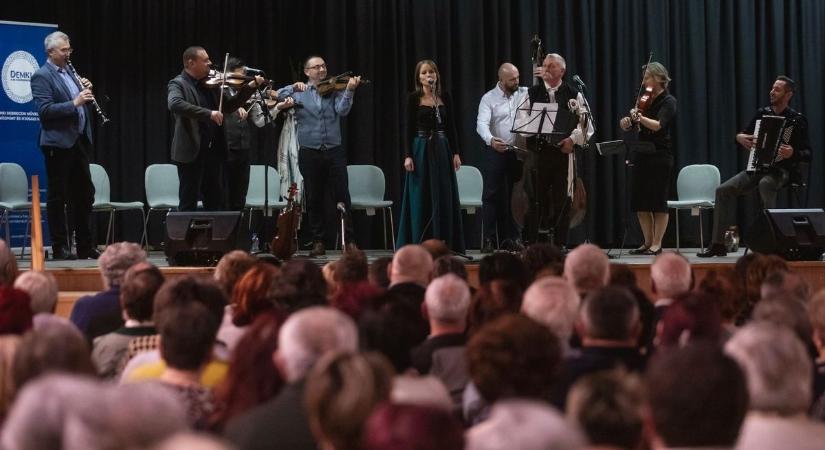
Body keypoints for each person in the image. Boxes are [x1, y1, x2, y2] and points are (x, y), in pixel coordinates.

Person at [699, 75, 811, 257]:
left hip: (783, 171)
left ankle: (772, 243)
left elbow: (807, 154)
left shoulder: (796, 120)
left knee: (766, 184)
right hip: (757, 167)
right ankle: (718, 244)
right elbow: (744, 135)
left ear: (788, 94)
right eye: (772, 88)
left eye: (777, 89)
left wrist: (793, 153)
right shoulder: (762, 114)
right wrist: (739, 137)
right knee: (723, 190)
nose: (772, 92)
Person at [275, 56, 361, 257]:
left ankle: (349, 241)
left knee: (342, 196)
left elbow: (342, 110)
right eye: (316, 67)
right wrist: (292, 87)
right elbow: (277, 95)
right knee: (314, 197)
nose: (321, 69)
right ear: (307, 72)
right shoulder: (300, 92)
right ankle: (318, 241)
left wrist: (349, 90)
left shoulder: (333, 90)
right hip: (309, 151)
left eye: (323, 66)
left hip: (333, 149)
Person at [168, 46, 264, 212]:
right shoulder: (178, 83)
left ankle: (211, 238)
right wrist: (209, 113)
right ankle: (184, 239)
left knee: (215, 202)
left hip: (213, 152)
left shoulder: (211, 85)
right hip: (191, 152)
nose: (210, 63)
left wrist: (250, 87)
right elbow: (175, 104)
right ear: (191, 63)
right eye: (205, 60)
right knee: (188, 201)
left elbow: (229, 106)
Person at [30, 31, 99, 260]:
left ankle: (85, 246)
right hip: (57, 144)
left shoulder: (69, 71)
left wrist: (85, 90)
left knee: (85, 194)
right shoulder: (41, 76)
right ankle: (60, 247)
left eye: (69, 49)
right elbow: (45, 111)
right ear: (51, 52)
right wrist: (75, 101)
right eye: (64, 50)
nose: (68, 53)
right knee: (59, 197)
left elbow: (80, 104)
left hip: (78, 140)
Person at [522, 53, 593, 249]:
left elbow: (587, 125)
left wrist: (573, 139)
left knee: (563, 199)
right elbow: (520, 121)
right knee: (534, 198)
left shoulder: (574, 94)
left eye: (551, 66)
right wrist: (533, 127)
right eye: (544, 65)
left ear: (562, 70)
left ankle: (560, 243)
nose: (546, 68)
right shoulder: (530, 93)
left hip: (562, 154)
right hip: (538, 153)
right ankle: (531, 243)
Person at [396, 59, 465, 253]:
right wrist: (407, 155)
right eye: (424, 73)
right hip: (421, 148)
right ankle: (419, 241)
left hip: (442, 148)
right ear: (419, 77)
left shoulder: (444, 97)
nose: (429, 76)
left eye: (432, 72)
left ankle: (445, 242)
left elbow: (452, 127)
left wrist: (456, 152)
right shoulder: (413, 98)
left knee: (443, 194)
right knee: (421, 194)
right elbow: (407, 129)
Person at [619, 61, 677, 255]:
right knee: (640, 201)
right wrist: (627, 122)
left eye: (647, 77)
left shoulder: (669, 101)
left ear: (659, 78)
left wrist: (640, 118)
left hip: (660, 155)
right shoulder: (644, 99)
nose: (644, 82)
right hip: (642, 154)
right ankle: (647, 241)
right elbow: (633, 126)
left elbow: (658, 125)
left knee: (658, 202)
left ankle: (657, 243)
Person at [476, 63, 528, 252]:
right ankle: (489, 240)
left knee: (516, 197)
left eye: (518, 77)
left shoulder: (524, 93)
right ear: (501, 80)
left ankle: (514, 238)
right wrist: (491, 140)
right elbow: (481, 124)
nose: (517, 82)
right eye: (512, 79)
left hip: (518, 153)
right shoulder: (489, 98)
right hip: (497, 151)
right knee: (491, 196)